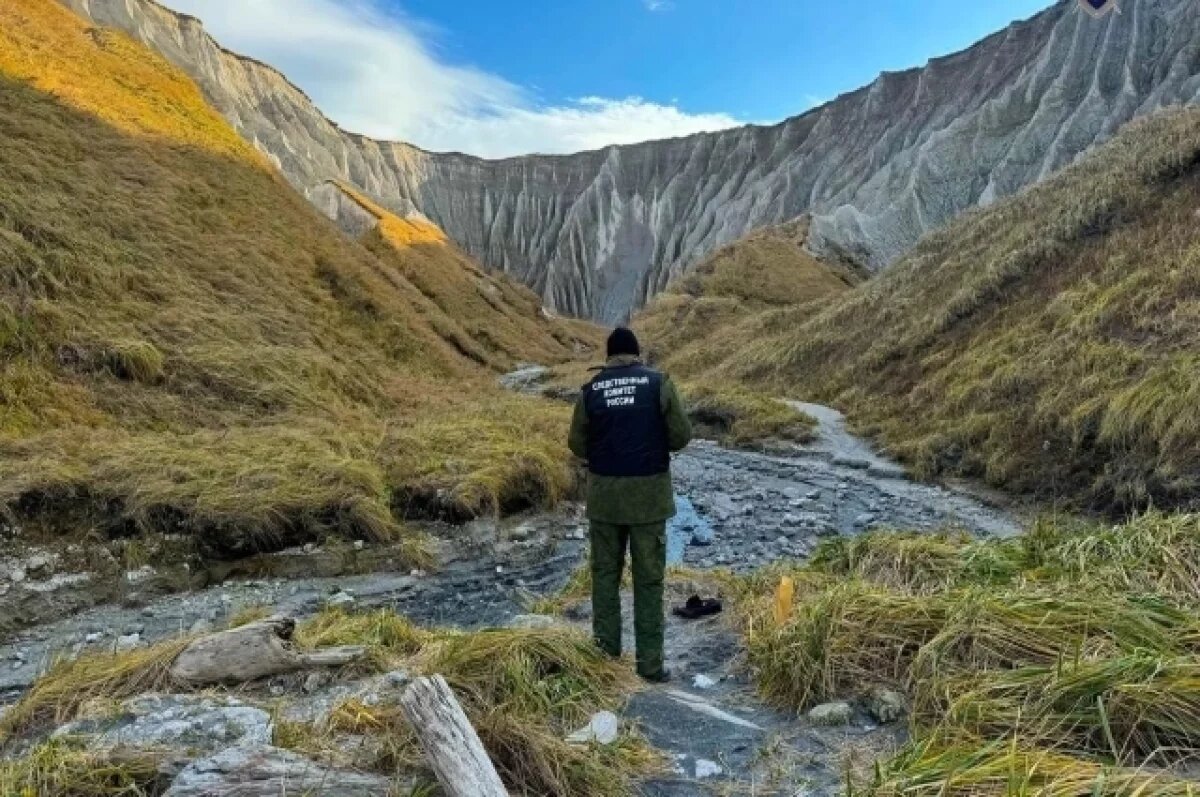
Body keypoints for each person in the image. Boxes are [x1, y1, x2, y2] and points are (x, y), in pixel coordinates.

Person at [568, 327, 692, 682]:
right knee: (648, 580)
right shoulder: (658, 384)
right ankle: (650, 666)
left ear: (608, 356)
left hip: (605, 499)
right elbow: (681, 436)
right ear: (636, 353)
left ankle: (606, 656)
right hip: (648, 501)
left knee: (605, 576)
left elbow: (576, 442)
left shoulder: (591, 391)